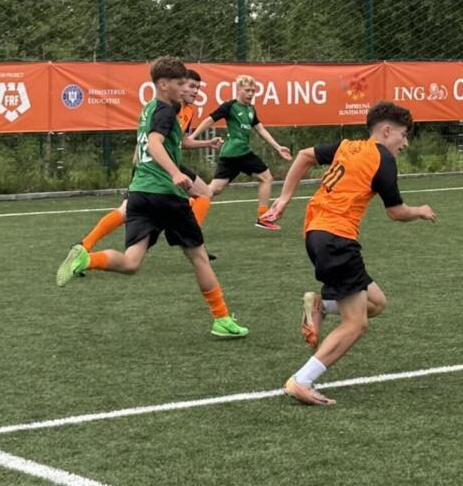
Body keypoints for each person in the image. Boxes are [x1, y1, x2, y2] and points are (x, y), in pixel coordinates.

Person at [55, 56, 248, 338]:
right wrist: (174, 172)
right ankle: (221, 319)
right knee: (199, 258)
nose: (184, 88)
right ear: (164, 84)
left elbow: (164, 142)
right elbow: (155, 143)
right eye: (180, 84)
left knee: (131, 262)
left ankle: (86, 259)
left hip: (141, 193)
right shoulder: (166, 112)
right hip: (165, 195)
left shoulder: (149, 108)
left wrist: (201, 144)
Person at [264, 102, 436, 406]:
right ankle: (301, 381)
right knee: (356, 322)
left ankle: (320, 307)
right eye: (404, 135)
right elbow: (396, 212)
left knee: (377, 302)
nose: (405, 143)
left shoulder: (348, 146)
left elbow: (304, 155)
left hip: (315, 234)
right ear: (387, 130)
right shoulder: (383, 158)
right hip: (337, 239)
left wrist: (285, 197)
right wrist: (420, 210)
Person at [74, 69, 218, 257]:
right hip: (151, 165)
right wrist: (139, 163)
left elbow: (182, 141)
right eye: (190, 86)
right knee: (125, 212)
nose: (194, 91)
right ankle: (84, 246)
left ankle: (191, 241)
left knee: (204, 193)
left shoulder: (187, 110)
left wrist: (207, 143)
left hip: (169, 165)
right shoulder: (168, 108)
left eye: (198, 88)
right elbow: (152, 141)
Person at [190, 75, 292, 230]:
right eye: (247, 90)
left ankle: (190, 202)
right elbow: (208, 120)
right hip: (238, 152)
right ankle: (263, 217)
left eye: (253, 91)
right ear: (238, 90)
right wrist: (191, 138)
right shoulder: (229, 106)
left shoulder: (250, 109)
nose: (251, 94)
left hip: (232, 155)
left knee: (214, 190)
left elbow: (260, 129)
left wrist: (278, 147)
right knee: (266, 178)